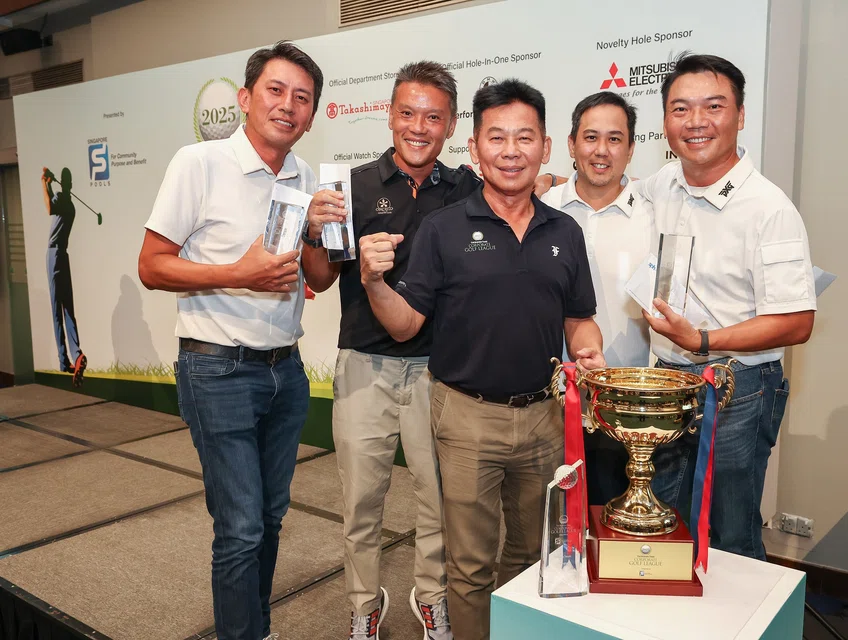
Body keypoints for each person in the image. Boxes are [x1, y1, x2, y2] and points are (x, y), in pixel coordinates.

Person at [357, 79, 605, 640]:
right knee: (468, 567)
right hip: (465, 417)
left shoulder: (565, 230)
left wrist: (587, 346)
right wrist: (374, 282)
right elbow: (404, 325)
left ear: (545, 148)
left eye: (525, 138)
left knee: (528, 556)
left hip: (544, 417)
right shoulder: (444, 230)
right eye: (497, 138)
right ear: (474, 148)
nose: (511, 150)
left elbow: (578, 316)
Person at [138, 41, 340, 640]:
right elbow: (152, 265)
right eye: (275, 92)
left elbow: (321, 280)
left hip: (286, 371)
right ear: (246, 99)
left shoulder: (305, 176)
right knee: (241, 527)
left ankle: (257, 628)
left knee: (271, 518)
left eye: (302, 98)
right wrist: (235, 275)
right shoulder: (197, 163)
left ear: (311, 114)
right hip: (216, 371)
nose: (288, 106)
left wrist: (318, 232)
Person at [302, 60, 480, 640]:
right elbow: (322, 278)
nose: (419, 126)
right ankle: (363, 604)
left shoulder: (469, 192)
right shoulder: (348, 185)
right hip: (364, 366)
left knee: (439, 499)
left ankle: (431, 598)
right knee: (361, 501)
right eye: (408, 113)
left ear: (451, 125)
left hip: (442, 371)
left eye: (433, 117)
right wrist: (311, 232)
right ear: (390, 115)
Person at [634, 53, 817, 560]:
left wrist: (704, 341)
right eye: (680, 108)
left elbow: (797, 321)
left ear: (740, 115)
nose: (695, 122)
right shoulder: (663, 185)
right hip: (670, 379)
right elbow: (607, 194)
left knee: (729, 532)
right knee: (662, 519)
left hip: (738, 387)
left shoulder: (769, 208)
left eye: (712, 106)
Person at [540, 91, 655, 507]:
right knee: (549, 530)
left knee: (614, 530)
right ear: (571, 144)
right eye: (590, 138)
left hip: (626, 411)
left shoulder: (653, 215)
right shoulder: (541, 208)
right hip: (548, 407)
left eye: (614, 139)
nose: (601, 151)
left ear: (631, 149)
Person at [42, 166, 86, 386]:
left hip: (53, 254)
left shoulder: (60, 198)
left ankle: (63, 360)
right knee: (68, 308)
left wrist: (45, 184)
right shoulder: (72, 206)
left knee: (56, 309)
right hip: (64, 255)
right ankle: (76, 354)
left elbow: (49, 207)